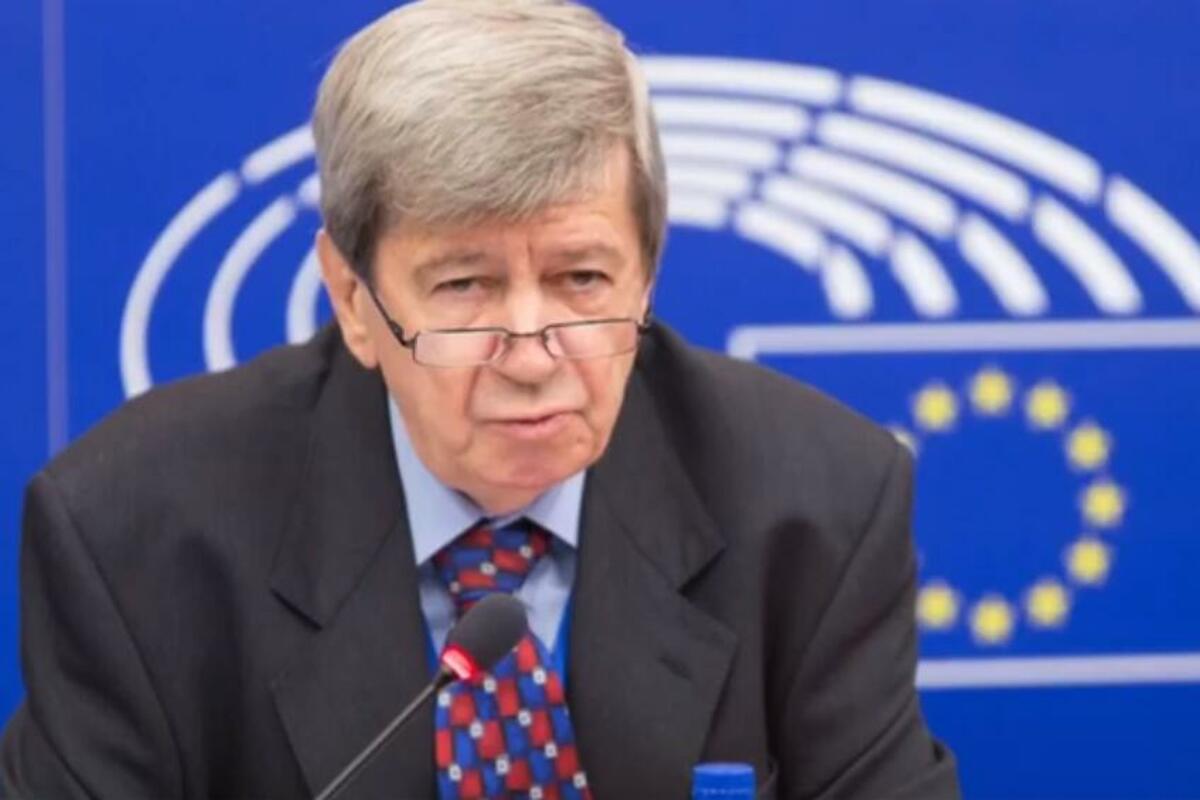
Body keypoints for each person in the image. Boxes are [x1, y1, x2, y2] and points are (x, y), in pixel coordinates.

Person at [0, 1, 960, 797]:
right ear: (354, 301)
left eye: (583, 279)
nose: (533, 356)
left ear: (647, 274)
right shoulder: (134, 538)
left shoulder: (819, 504)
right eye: (465, 287)